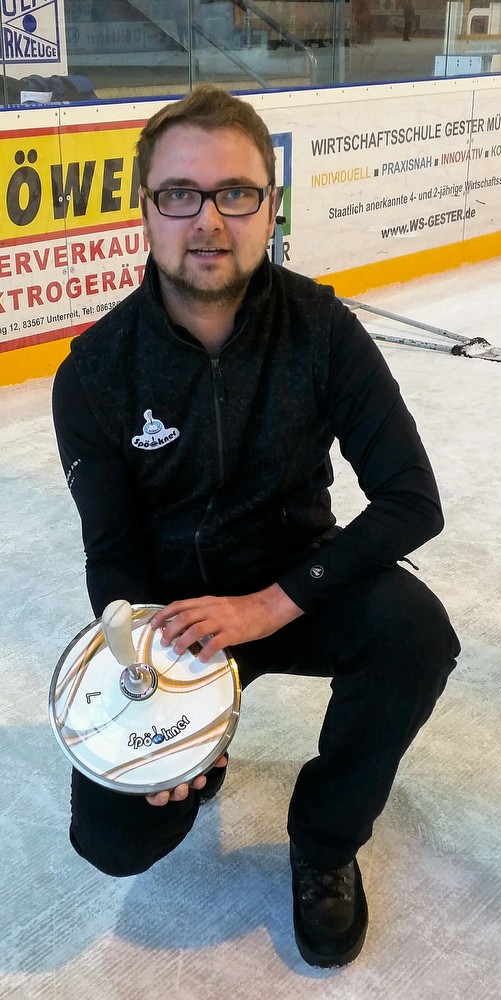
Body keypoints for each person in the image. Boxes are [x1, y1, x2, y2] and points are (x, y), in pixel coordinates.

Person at [52, 83, 460, 969]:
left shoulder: (322, 329)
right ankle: (208, 741)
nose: (208, 220)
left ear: (270, 207)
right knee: (114, 843)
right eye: (179, 194)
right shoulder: (94, 373)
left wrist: (273, 603)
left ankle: (324, 841)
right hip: (178, 624)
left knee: (414, 635)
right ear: (145, 210)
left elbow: (410, 498)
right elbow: (112, 558)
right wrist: (166, 699)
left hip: (294, 584)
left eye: (234, 192)